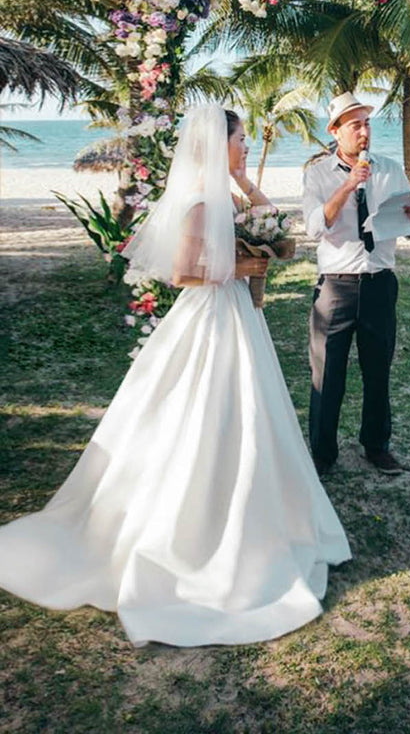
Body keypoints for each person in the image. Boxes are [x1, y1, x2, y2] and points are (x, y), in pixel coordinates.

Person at [0, 104, 350, 646]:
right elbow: (184, 272)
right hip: (210, 318)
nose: (246, 148)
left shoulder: (226, 193)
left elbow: (274, 217)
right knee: (204, 412)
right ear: (218, 143)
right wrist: (242, 267)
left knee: (250, 411)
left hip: (236, 314)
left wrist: (241, 181)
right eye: (239, 141)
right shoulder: (196, 204)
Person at [302, 91, 410, 477]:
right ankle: (322, 453)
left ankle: (377, 446)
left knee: (378, 370)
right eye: (355, 125)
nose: (364, 131)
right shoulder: (317, 174)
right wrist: (348, 184)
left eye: (367, 123)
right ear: (335, 131)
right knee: (327, 374)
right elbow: (313, 226)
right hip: (336, 286)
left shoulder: (389, 168)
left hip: (379, 282)